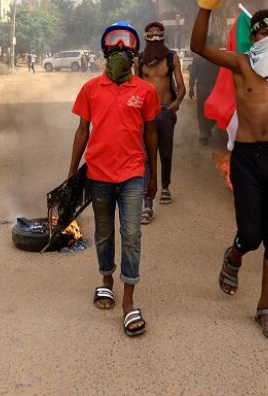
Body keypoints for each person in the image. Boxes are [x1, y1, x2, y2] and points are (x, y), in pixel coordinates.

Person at [191, 0, 268, 342]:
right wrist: (206, 5)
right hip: (246, 159)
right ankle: (236, 254)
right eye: (264, 33)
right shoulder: (240, 64)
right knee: (251, 235)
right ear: (253, 38)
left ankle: (265, 307)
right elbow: (197, 46)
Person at [68, 20, 159, 338]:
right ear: (105, 50)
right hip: (99, 175)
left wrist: (153, 175)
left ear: (135, 52)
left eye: (126, 44)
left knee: (132, 234)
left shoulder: (146, 91)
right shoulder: (91, 89)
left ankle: (129, 301)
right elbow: (82, 131)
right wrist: (71, 174)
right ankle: (106, 280)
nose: (120, 49)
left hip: (133, 173)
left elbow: (151, 134)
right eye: (114, 44)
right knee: (105, 233)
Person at [133, 21, 186, 223]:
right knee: (146, 157)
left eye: (158, 33)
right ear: (145, 36)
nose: (154, 36)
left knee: (165, 152)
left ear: (163, 36)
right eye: (151, 34)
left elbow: (181, 86)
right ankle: (147, 205)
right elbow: (134, 85)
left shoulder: (172, 58)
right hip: (145, 114)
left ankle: (165, 186)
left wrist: (177, 101)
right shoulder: (138, 60)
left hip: (165, 111)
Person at [189, 52, 218, 145]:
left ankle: (204, 132)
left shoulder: (197, 58)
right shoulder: (216, 58)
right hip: (213, 88)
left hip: (202, 88)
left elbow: (193, 74)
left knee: (201, 111)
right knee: (214, 110)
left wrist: (191, 88)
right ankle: (207, 128)